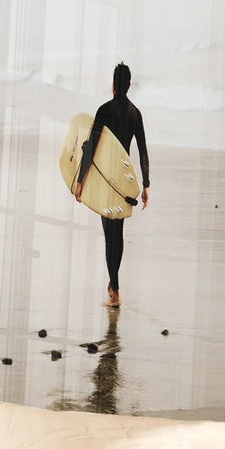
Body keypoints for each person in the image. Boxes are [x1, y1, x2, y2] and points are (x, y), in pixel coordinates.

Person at [74, 63, 150, 308]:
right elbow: (142, 152)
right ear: (128, 85)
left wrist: (80, 180)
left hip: (105, 179)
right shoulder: (135, 113)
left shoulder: (104, 110)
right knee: (118, 233)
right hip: (123, 180)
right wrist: (145, 184)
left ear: (114, 85)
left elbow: (90, 147)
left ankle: (115, 288)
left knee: (109, 235)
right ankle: (113, 285)